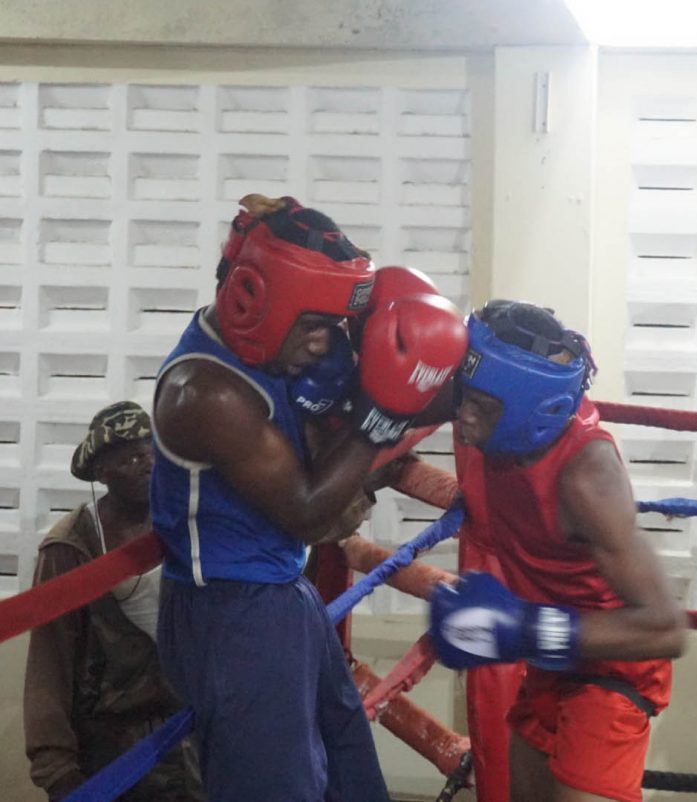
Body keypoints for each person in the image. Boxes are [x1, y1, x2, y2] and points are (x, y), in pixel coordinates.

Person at [151, 193, 467, 802]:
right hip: (232, 612)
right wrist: (381, 411)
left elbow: (352, 453)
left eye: (336, 327)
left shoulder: (271, 356)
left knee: (348, 767)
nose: (326, 346)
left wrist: (446, 371)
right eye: (317, 325)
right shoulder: (208, 391)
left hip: (281, 594)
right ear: (257, 301)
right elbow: (308, 512)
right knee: (275, 789)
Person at [428, 300, 688, 802]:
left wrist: (521, 629)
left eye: (480, 404)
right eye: (464, 396)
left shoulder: (587, 477)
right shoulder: (483, 422)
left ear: (528, 408)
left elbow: (667, 628)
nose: (461, 415)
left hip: (611, 673)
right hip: (549, 661)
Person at [24, 401, 203, 802]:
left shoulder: (183, 524)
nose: (147, 464)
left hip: (191, 733)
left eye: (153, 453)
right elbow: (50, 662)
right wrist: (58, 771)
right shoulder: (72, 546)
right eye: (132, 458)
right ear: (102, 472)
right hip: (112, 749)